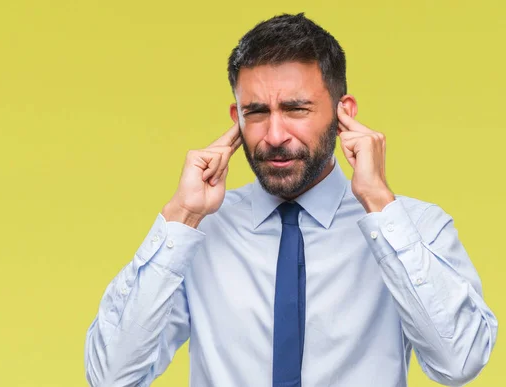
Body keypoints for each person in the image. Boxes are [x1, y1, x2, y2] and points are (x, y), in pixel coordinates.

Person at [84, 13, 498, 387]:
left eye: (296, 109)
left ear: (343, 114)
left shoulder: (414, 227)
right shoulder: (199, 232)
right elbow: (111, 378)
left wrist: (379, 204)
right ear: (237, 119)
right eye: (258, 112)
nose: (276, 135)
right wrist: (182, 215)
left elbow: (459, 362)